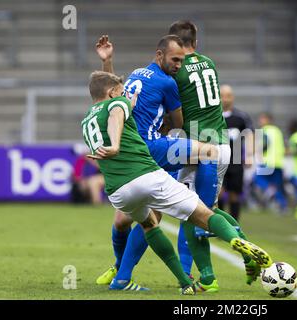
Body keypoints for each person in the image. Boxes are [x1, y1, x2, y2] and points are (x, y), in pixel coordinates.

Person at [81, 70, 272, 294]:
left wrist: (108, 68)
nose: (126, 94)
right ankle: (236, 242)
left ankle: (161, 279)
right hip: (147, 174)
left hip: (118, 192)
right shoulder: (118, 104)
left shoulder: (87, 119)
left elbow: (111, 98)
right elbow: (116, 112)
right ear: (113, 93)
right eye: (121, 92)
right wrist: (115, 143)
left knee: (149, 225)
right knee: (204, 212)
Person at [94, 35, 224, 290]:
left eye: (181, 60)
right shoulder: (167, 83)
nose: (178, 65)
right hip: (149, 149)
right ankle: (206, 217)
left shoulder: (136, 74)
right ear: (159, 55)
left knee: (123, 221)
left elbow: (113, 95)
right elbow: (178, 124)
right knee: (208, 154)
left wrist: (108, 61)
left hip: (129, 152)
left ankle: (119, 270)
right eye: (175, 59)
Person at [168, 20, 262, 290]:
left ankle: (208, 277)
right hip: (221, 146)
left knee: (194, 214)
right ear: (195, 43)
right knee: (209, 211)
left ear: (174, 44)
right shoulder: (209, 62)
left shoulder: (177, 70)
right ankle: (245, 249)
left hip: (199, 148)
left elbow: (177, 116)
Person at [217, 84, 254, 221]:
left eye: (228, 96)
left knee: (234, 194)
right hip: (218, 160)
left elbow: (250, 135)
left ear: (233, 98)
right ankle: (221, 226)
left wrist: (249, 155)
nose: (225, 99)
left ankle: (235, 226)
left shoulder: (241, 117)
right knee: (218, 193)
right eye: (222, 96)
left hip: (236, 161)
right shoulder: (213, 116)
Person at [252, 112, 287, 213]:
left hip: (267, 162)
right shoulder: (278, 131)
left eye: (262, 119)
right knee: (278, 186)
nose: (260, 121)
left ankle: (269, 191)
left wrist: (258, 151)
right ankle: (283, 207)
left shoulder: (264, 130)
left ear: (267, 120)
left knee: (257, 179)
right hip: (278, 162)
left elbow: (265, 144)